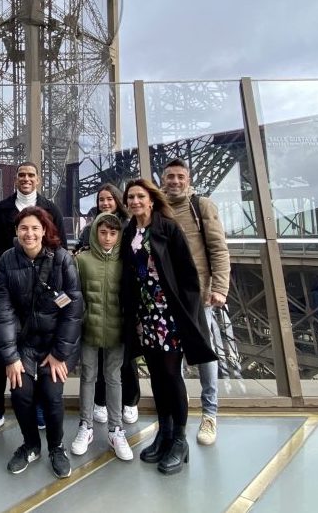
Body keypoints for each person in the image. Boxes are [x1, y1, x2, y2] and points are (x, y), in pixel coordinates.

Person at [121, 178, 216, 475]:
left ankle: (179, 440)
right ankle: (164, 432)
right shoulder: (130, 232)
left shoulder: (168, 228)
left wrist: (186, 314)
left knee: (172, 375)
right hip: (145, 315)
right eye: (131, 197)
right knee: (157, 377)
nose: (135, 201)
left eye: (140, 196)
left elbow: (188, 275)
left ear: (151, 200)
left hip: (168, 314)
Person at [0, 161, 68, 440]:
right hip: (7, 289)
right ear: (15, 179)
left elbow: (59, 247)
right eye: (21, 175)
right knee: (0, 350)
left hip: (39, 292)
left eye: (31, 175)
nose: (26, 179)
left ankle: (38, 405)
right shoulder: (1, 209)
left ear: (38, 179)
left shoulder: (50, 209)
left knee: (38, 348)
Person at [0, 206, 82, 479]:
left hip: (55, 343)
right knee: (20, 394)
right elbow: (3, 310)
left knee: (53, 397)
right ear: (17, 232)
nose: (29, 233)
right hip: (24, 344)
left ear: (44, 230)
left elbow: (73, 309)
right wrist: (11, 357)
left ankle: (56, 447)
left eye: (34, 228)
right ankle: (31, 444)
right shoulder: (7, 260)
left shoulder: (62, 260)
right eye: (23, 228)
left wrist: (60, 354)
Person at [161, 158, 231, 445]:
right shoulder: (159, 208)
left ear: (188, 179)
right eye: (170, 177)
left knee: (204, 354)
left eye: (180, 176)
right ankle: (181, 410)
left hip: (198, 295)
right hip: (166, 296)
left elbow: (218, 248)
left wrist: (220, 288)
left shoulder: (202, 206)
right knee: (173, 354)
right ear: (163, 179)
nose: (175, 181)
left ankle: (210, 413)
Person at [75, 183, 141, 426]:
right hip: (93, 315)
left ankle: (129, 402)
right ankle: (99, 404)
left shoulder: (129, 229)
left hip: (117, 315)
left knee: (123, 364)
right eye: (101, 199)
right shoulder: (89, 233)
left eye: (109, 199)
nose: (105, 203)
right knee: (97, 369)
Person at [71, 213, 133, 461]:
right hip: (89, 329)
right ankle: (85, 426)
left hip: (117, 330)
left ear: (119, 235)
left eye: (113, 233)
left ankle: (116, 429)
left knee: (114, 377)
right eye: (103, 232)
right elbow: (75, 296)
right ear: (95, 232)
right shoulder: (82, 261)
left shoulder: (126, 261)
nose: (108, 238)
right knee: (88, 376)